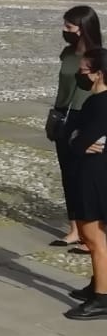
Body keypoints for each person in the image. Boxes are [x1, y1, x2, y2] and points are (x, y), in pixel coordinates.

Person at [50, 6, 101, 253]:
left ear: (83, 29)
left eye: (69, 27)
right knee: (68, 174)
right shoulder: (67, 54)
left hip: (85, 116)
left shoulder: (97, 57)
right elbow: (63, 86)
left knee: (86, 178)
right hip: (64, 115)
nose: (64, 30)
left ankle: (94, 233)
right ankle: (75, 229)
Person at [64, 47, 107, 318]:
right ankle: (98, 283)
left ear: (98, 74)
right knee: (95, 234)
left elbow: (78, 139)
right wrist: (74, 136)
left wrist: (74, 138)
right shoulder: (96, 101)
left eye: (84, 71)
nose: (80, 75)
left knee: (93, 237)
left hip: (94, 174)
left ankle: (102, 298)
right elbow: (72, 133)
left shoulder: (100, 104)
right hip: (93, 171)